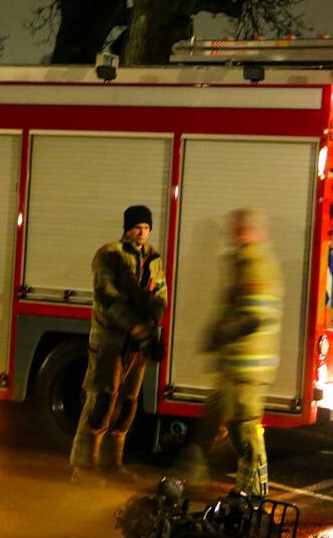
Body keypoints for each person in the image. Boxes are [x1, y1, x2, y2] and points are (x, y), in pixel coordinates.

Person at [177, 208, 283, 502]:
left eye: (236, 229)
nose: (231, 234)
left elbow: (253, 316)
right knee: (222, 421)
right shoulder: (243, 261)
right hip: (236, 364)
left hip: (248, 366)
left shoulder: (255, 264)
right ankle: (215, 478)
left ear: (248, 230)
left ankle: (255, 493)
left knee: (245, 429)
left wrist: (220, 333)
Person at [70, 205, 167, 483]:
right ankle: (83, 467)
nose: (142, 233)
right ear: (127, 228)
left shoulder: (153, 258)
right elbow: (106, 298)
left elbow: (160, 293)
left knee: (126, 404)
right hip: (110, 342)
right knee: (101, 400)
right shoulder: (109, 254)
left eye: (147, 228)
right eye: (137, 227)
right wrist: (136, 327)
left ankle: (112, 465)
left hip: (138, 345)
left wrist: (150, 323)